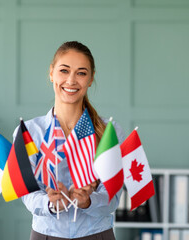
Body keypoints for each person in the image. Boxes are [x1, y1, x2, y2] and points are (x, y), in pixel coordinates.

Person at [14, 41, 125, 240]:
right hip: (46, 235)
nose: (71, 80)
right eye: (64, 71)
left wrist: (88, 202)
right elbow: (26, 192)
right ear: (51, 73)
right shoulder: (28, 132)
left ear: (91, 79)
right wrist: (50, 203)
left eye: (81, 73)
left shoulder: (109, 132)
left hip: (96, 234)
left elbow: (114, 197)